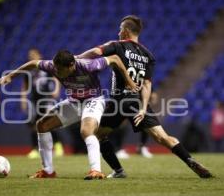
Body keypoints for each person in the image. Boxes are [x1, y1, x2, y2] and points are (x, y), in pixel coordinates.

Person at [77, 15, 212, 178]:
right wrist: (142, 108)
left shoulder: (117, 46)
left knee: (97, 135)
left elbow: (95, 52)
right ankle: (189, 160)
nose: (119, 32)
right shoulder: (148, 55)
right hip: (137, 102)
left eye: (120, 29)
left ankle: (119, 171)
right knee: (163, 138)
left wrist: (77, 58)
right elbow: (147, 85)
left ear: (126, 31)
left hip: (119, 101)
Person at [0, 50, 138, 180]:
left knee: (86, 130)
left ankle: (96, 170)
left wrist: (129, 81)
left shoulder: (88, 65)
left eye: (60, 70)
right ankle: (48, 171)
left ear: (71, 65)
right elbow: (34, 64)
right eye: (56, 69)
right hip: (74, 102)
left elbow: (114, 58)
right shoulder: (53, 66)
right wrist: (11, 75)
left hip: (93, 100)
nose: (57, 72)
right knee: (42, 125)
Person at [21, 48, 64, 158]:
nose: (31, 57)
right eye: (30, 55)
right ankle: (35, 149)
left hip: (47, 98)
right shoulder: (28, 70)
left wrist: (56, 89)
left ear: (39, 55)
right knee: (34, 125)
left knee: (49, 121)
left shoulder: (45, 67)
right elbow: (24, 86)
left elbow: (56, 77)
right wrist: (23, 100)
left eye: (33, 54)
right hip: (35, 100)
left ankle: (58, 146)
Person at [111, 92, 158, 159]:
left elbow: (146, 84)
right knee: (121, 122)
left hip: (137, 96)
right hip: (125, 95)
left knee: (145, 120)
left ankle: (141, 147)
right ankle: (116, 149)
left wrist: (151, 91)